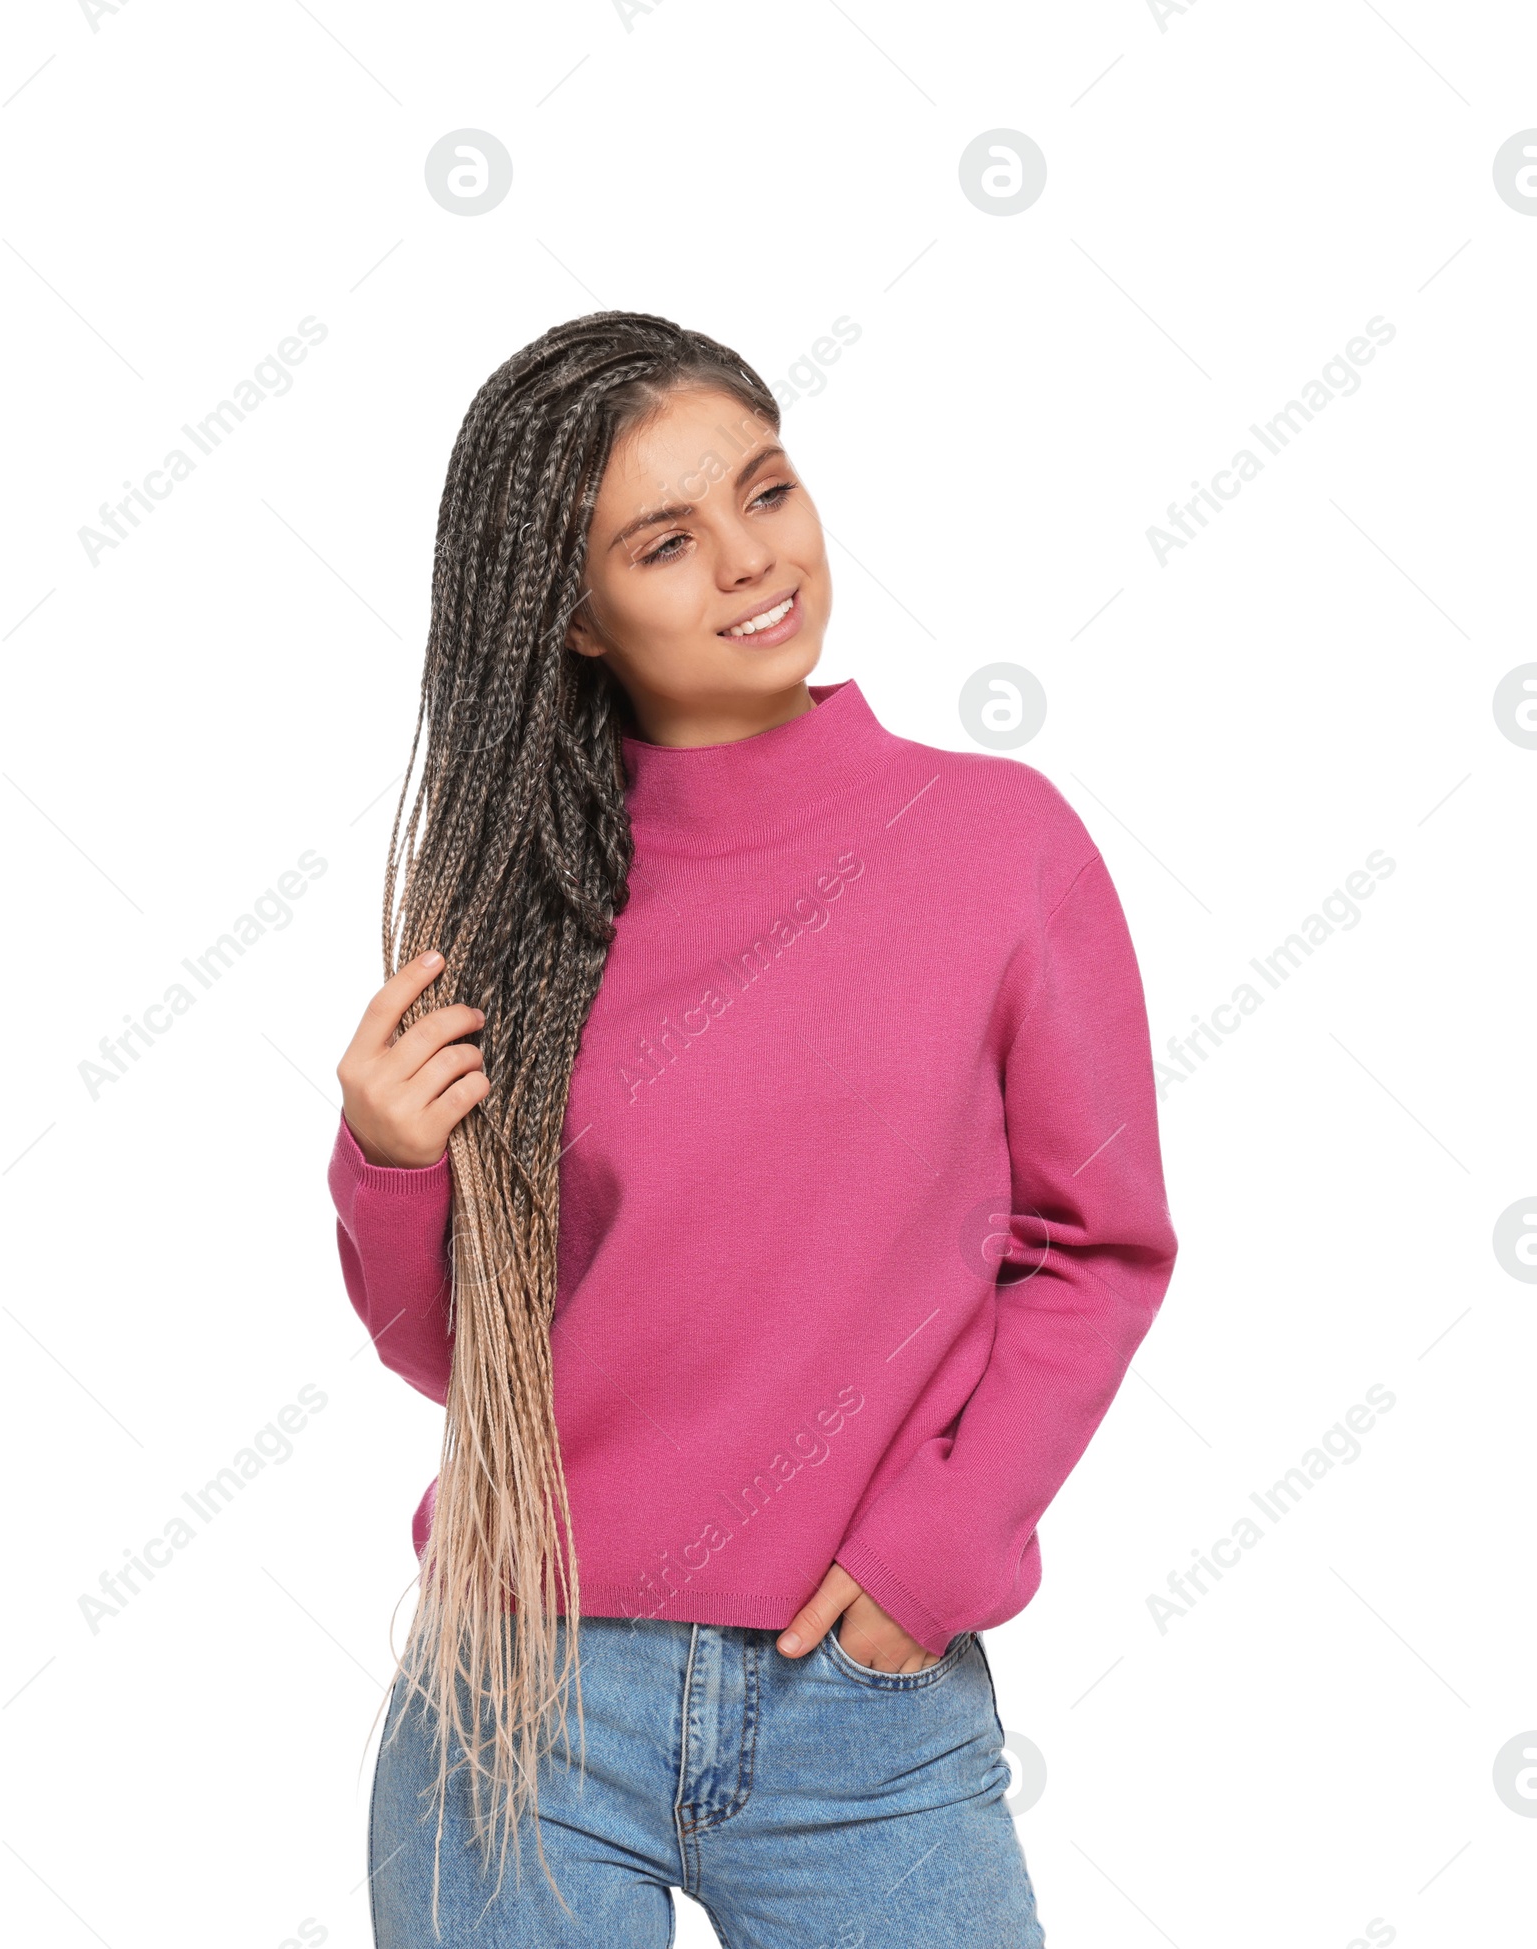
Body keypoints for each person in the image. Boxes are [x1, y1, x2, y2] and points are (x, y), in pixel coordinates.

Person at [328, 311, 1179, 1945]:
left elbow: (1098, 1251)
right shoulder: (516, 912)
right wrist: (390, 1165)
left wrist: (931, 1555)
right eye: (666, 542)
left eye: (767, 494)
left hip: (859, 1708)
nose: (747, 561)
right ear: (575, 615)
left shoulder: (997, 847)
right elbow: (464, 1351)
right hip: (520, 1701)